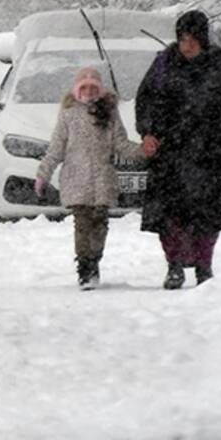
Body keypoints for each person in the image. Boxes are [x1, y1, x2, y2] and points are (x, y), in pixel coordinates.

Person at [136, 10, 221, 290]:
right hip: (171, 154)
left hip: (210, 155)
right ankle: (174, 266)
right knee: (170, 215)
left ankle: (204, 267)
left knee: (207, 213)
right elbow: (145, 101)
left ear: (202, 38)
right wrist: (148, 132)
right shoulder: (164, 65)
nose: (187, 45)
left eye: (192, 39)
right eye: (182, 39)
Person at [34, 67, 142, 290]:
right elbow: (56, 148)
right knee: (82, 225)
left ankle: (94, 261)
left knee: (100, 225)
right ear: (77, 90)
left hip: (103, 179)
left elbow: (120, 144)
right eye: (84, 88)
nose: (89, 92)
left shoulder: (109, 112)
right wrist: (42, 175)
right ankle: (84, 268)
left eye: (94, 88)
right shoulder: (69, 113)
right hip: (76, 180)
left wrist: (143, 151)